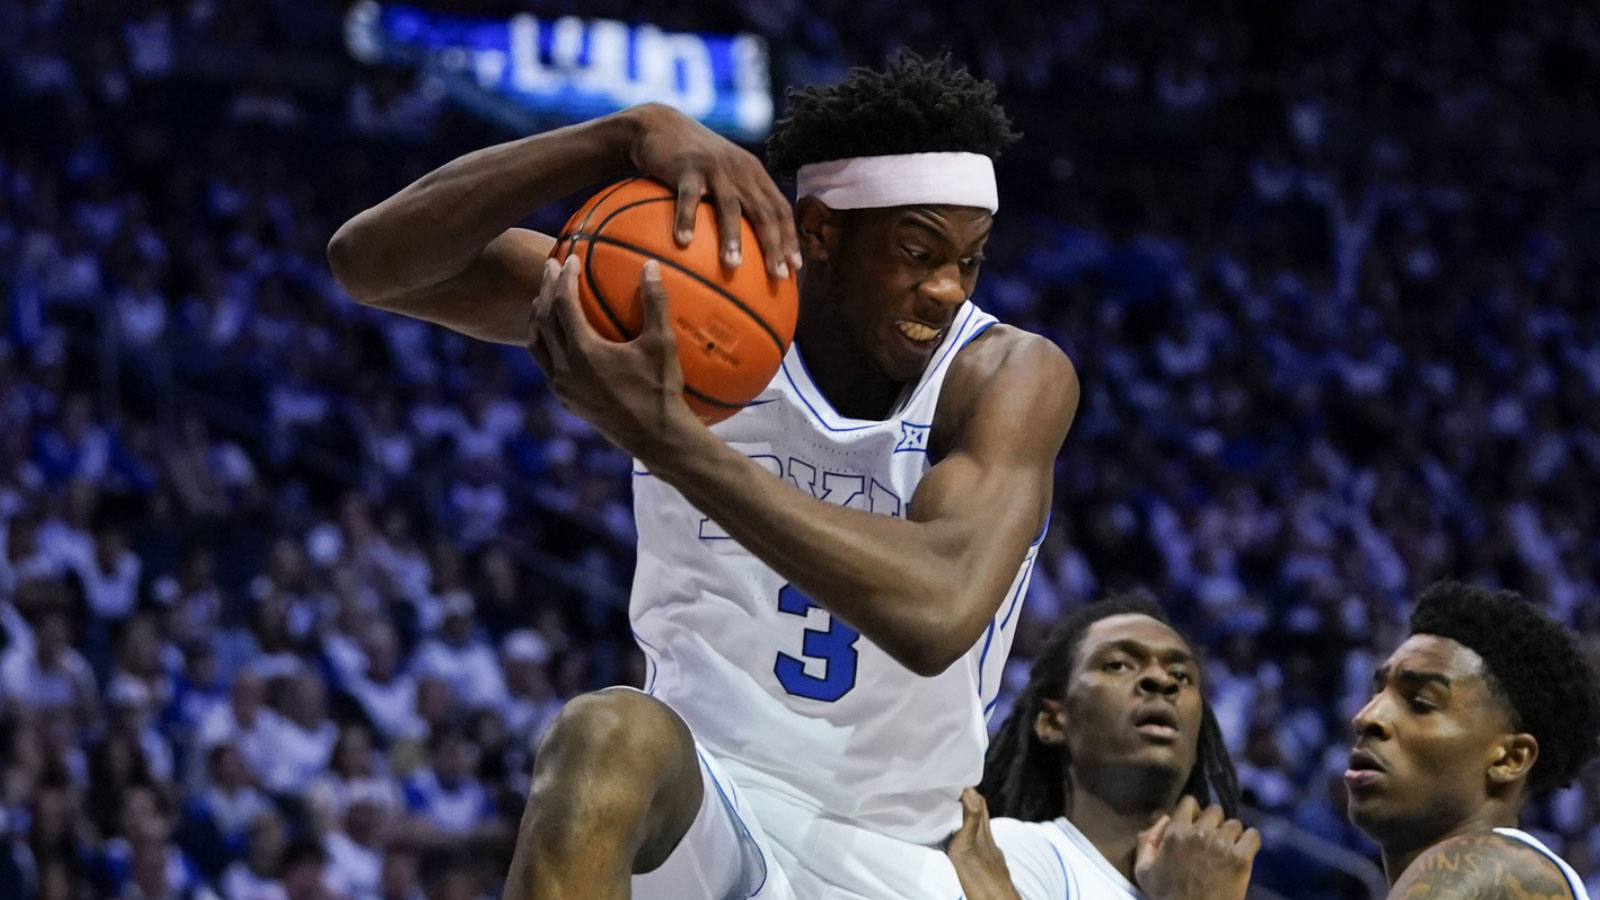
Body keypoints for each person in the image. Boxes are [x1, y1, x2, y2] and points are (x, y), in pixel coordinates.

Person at [329, 52, 1078, 900]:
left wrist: (673, 439)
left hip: (896, 850)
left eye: (970, 260)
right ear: (823, 233)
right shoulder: (684, 321)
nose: (946, 289)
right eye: (917, 251)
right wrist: (621, 136)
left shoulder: (1006, 376)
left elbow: (936, 610)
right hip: (705, 808)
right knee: (606, 733)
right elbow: (372, 263)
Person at [950, 594, 1260, 900]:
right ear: (1053, 721)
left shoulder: (1214, 885)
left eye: (1181, 675)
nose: (1161, 680)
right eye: (1119, 665)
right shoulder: (1020, 852)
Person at [1344, 582, 1600, 900]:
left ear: (1509, 759)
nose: (1367, 717)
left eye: (1421, 703)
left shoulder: (1502, 869)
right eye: (1377, 693)